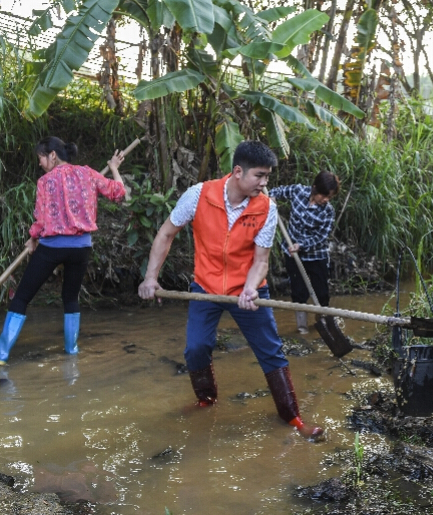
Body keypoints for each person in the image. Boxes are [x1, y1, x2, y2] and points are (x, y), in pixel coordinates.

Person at [137, 140, 323, 440]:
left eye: (267, 176)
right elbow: (166, 234)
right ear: (238, 172)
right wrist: (150, 278)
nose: (264, 183)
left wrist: (249, 289)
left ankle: (294, 419)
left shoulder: (267, 208)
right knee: (196, 348)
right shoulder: (198, 195)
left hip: (247, 291)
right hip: (206, 288)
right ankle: (206, 401)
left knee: (271, 352)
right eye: (259, 176)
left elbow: (261, 261)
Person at [0, 137, 126, 365]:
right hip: (81, 248)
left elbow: (41, 219)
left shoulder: (45, 181)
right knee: (70, 298)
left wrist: (33, 239)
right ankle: (72, 352)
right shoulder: (88, 173)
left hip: (53, 247)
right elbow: (118, 193)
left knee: (22, 297)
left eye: (41, 158)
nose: (40, 163)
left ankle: (1, 353)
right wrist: (114, 168)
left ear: (53, 155)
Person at [268, 171, 339, 334]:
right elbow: (275, 191)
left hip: (316, 256)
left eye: (329, 197)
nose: (326, 200)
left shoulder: (328, 211)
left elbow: (321, 236)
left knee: (321, 294)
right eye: (324, 195)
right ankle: (302, 329)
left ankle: (323, 324)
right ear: (315, 188)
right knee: (298, 292)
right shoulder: (298, 191)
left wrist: (302, 245)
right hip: (292, 254)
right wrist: (272, 198)